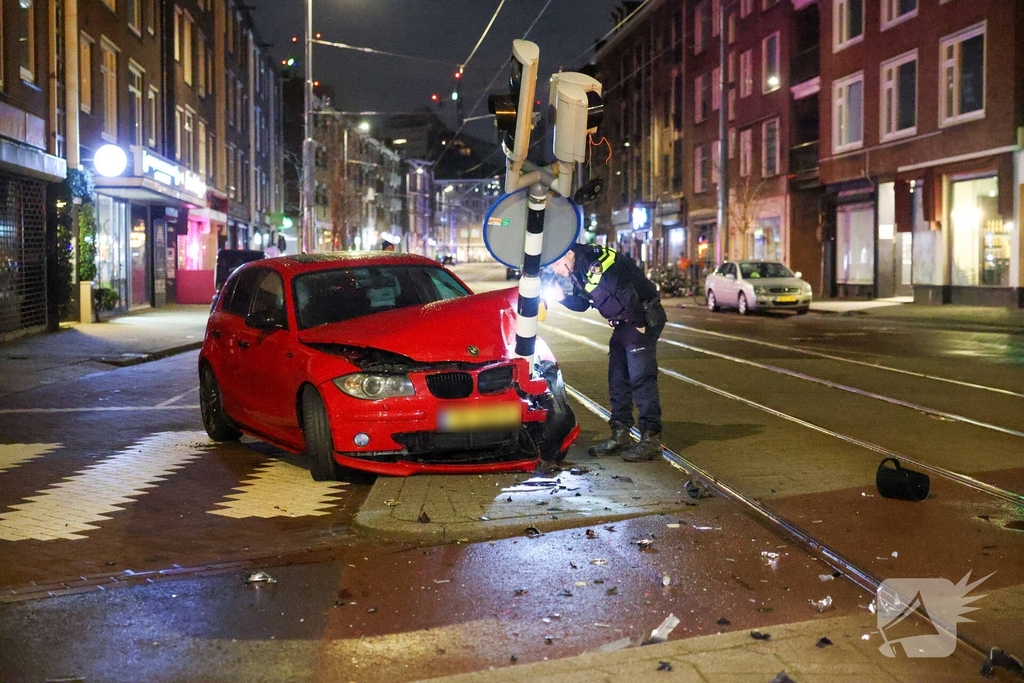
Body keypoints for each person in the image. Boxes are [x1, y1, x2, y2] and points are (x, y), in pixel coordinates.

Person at [548, 243, 667, 461]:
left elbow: (625, 290)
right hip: (623, 324)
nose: (556, 270)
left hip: (640, 317)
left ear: (569, 253)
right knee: (618, 378)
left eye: (557, 263)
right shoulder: (579, 269)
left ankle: (651, 438)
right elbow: (583, 303)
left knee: (641, 379)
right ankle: (621, 434)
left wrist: (639, 323)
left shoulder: (595, 263)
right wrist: (562, 298)